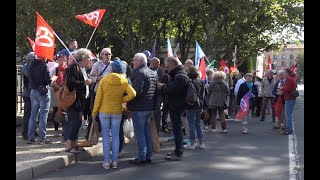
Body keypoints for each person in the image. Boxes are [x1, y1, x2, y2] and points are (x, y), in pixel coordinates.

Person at [92, 59, 136, 169]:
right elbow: (133, 93)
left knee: (106, 137)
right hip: (117, 111)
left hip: (104, 111)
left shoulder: (104, 80)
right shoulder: (124, 80)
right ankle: (115, 161)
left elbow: (98, 98)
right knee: (116, 136)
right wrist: (121, 100)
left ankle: (106, 161)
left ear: (111, 69)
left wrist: (94, 112)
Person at [79, 48, 113, 147]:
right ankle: (89, 137)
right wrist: (98, 78)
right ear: (102, 55)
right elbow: (91, 77)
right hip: (98, 92)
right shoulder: (97, 65)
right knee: (94, 114)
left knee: (108, 114)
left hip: (110, 94)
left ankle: (101, 134)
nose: (108, 56)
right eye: (106, 54)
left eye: (110, 54)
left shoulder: (113, 65)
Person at [127, 53, 157, 165]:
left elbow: (136, 92)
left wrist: (127, 102)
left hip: (139, 108)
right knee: (147, 132)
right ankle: (148, 156)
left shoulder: (139, 73)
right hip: (149, 107)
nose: (133, 62)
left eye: (134, 59)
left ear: (139, 61)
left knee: (140, 134)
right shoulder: (153, 72)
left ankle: (142, 157)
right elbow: (156, 92)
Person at [161, 56, 189, 161]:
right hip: (177, 105)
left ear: (172, 65)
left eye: (167, 67)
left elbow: (172, 90)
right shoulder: (179, 74)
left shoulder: (179, 76)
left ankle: (178, 152)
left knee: (177, 129)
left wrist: (162, 87)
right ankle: (177, 150)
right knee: (177, 129)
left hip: (177, 106)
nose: (166, 69)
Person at [64, 48, 92, 153]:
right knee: (76, 122)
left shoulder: (82, 68)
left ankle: (74, 144)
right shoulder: (73, 67)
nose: (90, 60)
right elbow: (70, 82)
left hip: (81, 100)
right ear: (83, 58)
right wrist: (83, 83)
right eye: (89, 58)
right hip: (74, 101)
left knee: (77, 122)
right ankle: (68, 145)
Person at [27, 54, 57, 144]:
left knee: (33, 115)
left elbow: (30, 77)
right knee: (43, 115)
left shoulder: (31, 64)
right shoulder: (44, 65)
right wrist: (53, 78)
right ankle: (42, 138)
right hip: (43, 91)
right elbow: (47, 80)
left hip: (33, 90)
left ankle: (30, 137)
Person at [184, 66, 206, 149]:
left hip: (191, 104)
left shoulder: (189, 82)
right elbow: (203, 94)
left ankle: (192, 143)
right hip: (199, 104)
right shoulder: (201, 81)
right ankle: (201, 143)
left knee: (191, 124)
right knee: (198, 124)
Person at [21, 52, 38, 140]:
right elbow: (31, 76)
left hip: (32, 93)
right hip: (28, 94)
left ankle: (32, 130)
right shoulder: (26, 67)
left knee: (34, 113)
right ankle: (26, 132)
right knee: (28, 114)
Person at [278, 68, 297, 135]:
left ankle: (289, 130)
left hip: (289, 98)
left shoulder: (289, 79)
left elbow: (288, 88)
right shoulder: (291, 79)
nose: (283, 74)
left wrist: (281, 88)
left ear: (287, 73)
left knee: (288, 115)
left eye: (284, 72)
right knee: (288, 115)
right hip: (290, 98)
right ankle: (289, 129)